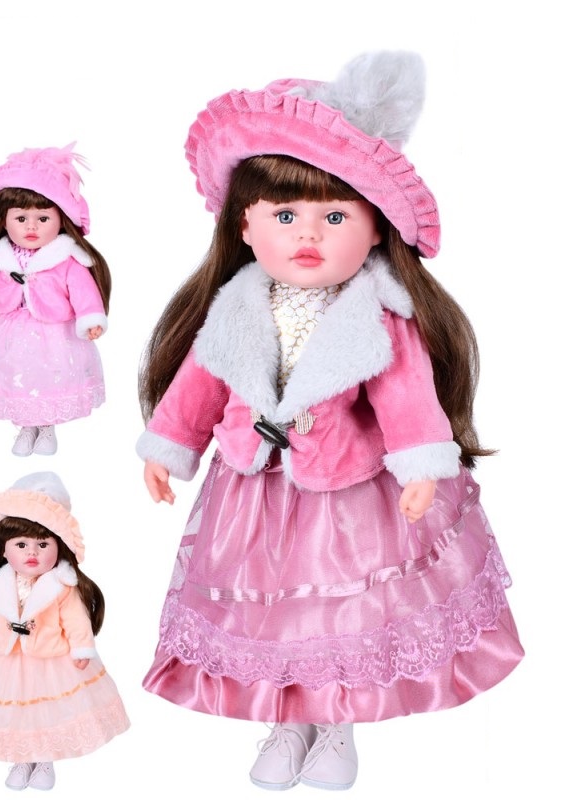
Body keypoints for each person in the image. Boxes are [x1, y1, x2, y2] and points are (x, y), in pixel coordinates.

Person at [137, 51, 524, 792]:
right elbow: (199, 385)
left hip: (350, 495)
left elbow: (407, 396)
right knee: (268, 610)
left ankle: (337, 724)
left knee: (345, 611)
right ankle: (288, 723)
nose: (306, 234)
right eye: (284, 216)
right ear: (246, 226)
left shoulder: (379, 313)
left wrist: (421, 464)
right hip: (252, 488)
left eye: (334, 216)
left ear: (375, 229)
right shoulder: (235, 307)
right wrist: (169, 446)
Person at [0, 472, 129, 790]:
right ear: (3, 550)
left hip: (52, 661)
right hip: (6, 661)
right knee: (16, 712)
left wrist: (82, 649)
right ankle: (22, 760)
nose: (32, 553)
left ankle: (45, 760)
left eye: (42, 544)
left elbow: (76, 620)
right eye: (21, 544)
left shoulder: (62, 585)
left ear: (59, 548)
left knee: (47, 712)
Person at [0, 145, 111, 457]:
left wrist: (91, 318)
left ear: (61, 220)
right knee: (15, 377)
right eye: (21, 218)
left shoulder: (66, 259)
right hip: (9, 332)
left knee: (49, 379)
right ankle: (27, 428)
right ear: (4, 221)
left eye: (43, 218)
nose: (31, 227)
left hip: (54, 333)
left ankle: (47, 428)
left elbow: (83, 291)